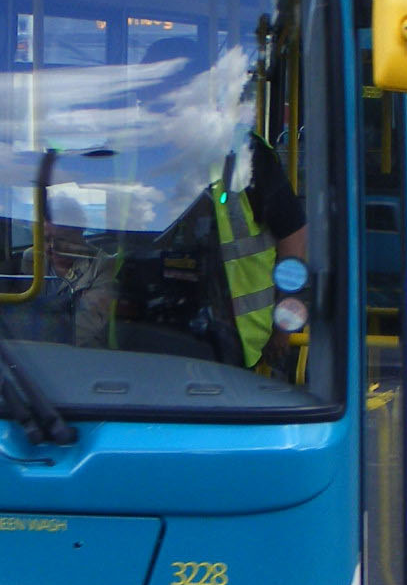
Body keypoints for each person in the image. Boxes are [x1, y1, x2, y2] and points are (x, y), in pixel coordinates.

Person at [125, 35, 308, 369]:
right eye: (148, 94)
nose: (151, 105)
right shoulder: (133, 151)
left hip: (233, 341)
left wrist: (285, 319)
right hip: (139, 330)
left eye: (161, 94)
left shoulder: (246, 156)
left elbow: (293, 235)